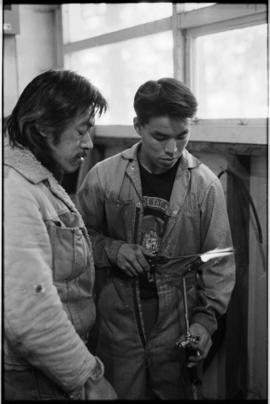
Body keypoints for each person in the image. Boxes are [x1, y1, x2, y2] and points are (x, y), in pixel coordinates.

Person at [77, 77, 236, 400]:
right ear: (138, 126)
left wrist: (205, 323)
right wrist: (113, 249)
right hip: (116, 322)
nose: (172, 150)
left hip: (179, 320)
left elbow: (219, 259)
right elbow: (78, 242)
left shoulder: (205, 186)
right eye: (160, 137)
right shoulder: (103, 178)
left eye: (182, 137)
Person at [4, 69, 117, 400]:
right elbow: (29, 311)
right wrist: (89, 378)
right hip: (31, 377)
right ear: (42, 127)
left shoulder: (38, 180)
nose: (89, 143)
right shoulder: (15, 190)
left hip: (47, 367)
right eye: (80, 131)